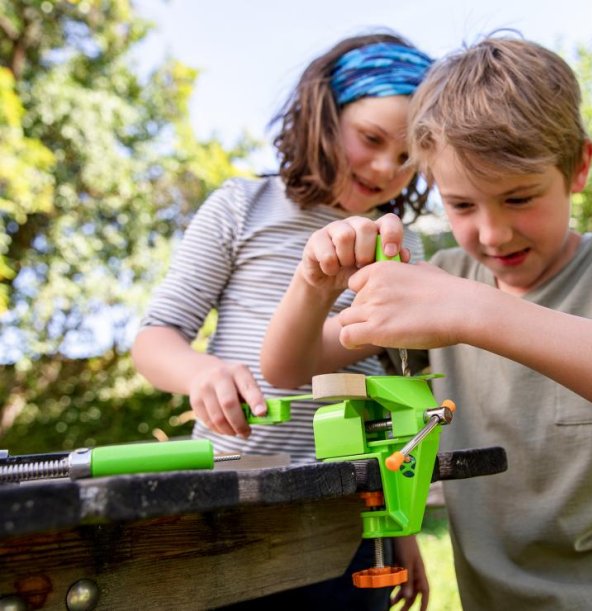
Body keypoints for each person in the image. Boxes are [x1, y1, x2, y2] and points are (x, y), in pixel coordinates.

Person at [260, 35, 592, 610]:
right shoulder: (445, 280)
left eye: (519, 198)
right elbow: (287, 368)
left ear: (577, 167)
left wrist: (479, 311)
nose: (492, 233)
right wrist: (313, 282)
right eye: (461, 205)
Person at [131, 32, 434, 611]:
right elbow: (156, 336)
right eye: (370, 138)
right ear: (325, 113)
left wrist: (401, 523)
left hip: (347, 513)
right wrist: (198, 372)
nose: (384, 168)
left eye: (408, 159)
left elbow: (369, 397)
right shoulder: (240, 207)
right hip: (224, 500)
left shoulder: (399, 246)